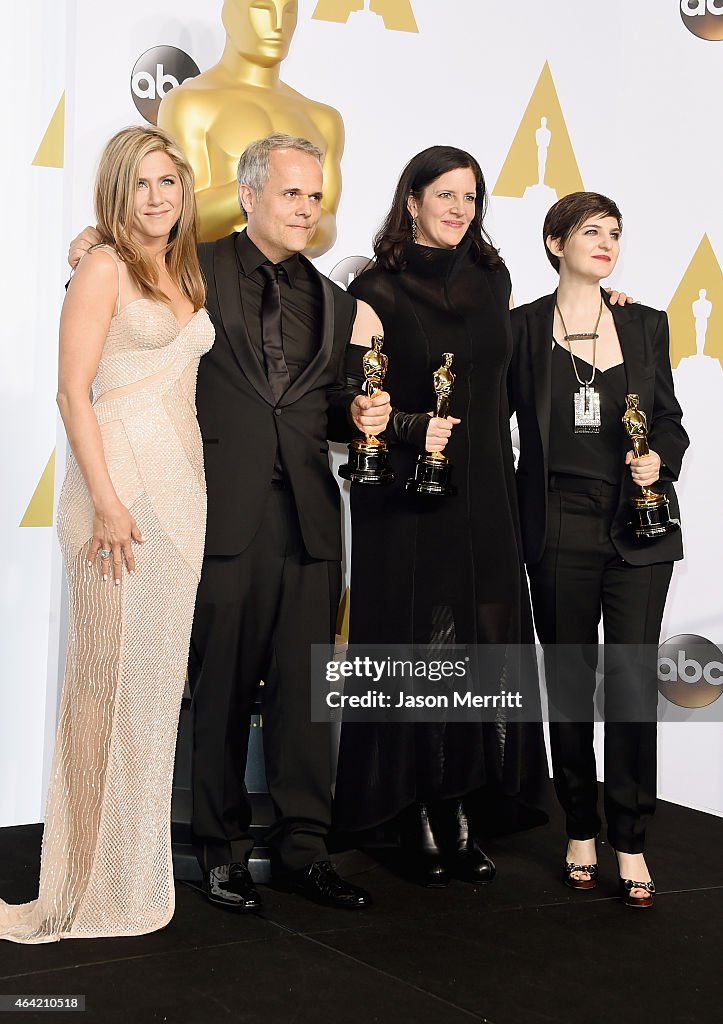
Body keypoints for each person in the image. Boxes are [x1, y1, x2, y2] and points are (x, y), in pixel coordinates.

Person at [71, 133, 388, 913]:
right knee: (218, 691)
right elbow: (121, 287)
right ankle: (218, 851)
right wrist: (83, 244)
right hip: (215, 512)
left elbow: (329, 415)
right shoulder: (191, 267)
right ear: (248, 196)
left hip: (312, 519)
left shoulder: (338, 301)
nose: (307, 208)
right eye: (291, 194)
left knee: (307, 694)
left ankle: (303, 848)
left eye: (315, 196)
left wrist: (361, 413)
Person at [0, 126, 213, 943]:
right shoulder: (102, 266)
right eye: (140, 185)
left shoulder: (184, 266)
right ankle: (77, 888)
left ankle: (127, 877)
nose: (157, 198)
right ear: (115, 194)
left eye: (169, 182)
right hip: (116, 499)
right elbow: (71, 392)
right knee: (101, 695)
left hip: (180, 503)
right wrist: (107, 498)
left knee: (151, 701)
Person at [333, 145, 548, 887]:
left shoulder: (493, 279)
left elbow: (515, 374)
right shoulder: (374, 287)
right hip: (405, 494)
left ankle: (463, 798)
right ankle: (416, 806)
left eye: (472, 197)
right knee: (424, 644)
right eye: (446, 195)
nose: (460, 209)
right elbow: (349, 401)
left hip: (485, 486)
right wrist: (399, 427)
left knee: (483, 640)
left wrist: (607, 310)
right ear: (413, 199)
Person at [509, 192, 688, 908]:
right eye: (590, 231)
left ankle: (631, 837)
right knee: (570, 690)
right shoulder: (520, 330)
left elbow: (668, 420)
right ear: (555, 243)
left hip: (637, 527)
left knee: (630, 687)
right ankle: (579, 827)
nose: (607, 242)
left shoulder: (645, 323)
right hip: (556, 526)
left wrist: (659, 463)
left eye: (614, 232)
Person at [157, 0, 343, 253]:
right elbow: (184, 218)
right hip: (210, 280)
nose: (279, 25)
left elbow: (327, 226)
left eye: (289, 11)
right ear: (229, 13)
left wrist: (270, 203)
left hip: (289, 285)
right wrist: (273, 194)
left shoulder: (324, 119)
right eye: (263, 9)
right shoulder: (189, 103)